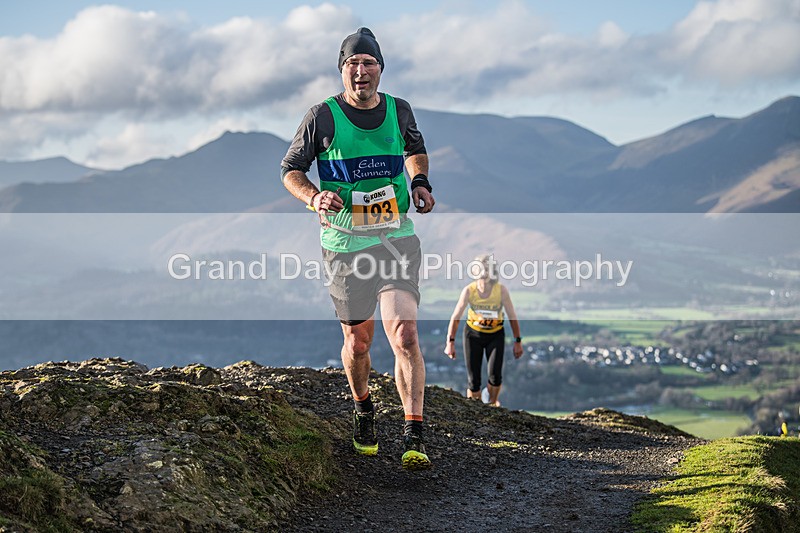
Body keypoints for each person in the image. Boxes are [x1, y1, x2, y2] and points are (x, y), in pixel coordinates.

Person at [281, 28, 436, 470]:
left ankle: (413, 433)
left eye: (369, 63)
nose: (361, 71)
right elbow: (290, 168)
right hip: (346, 244)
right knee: (359, 341)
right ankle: (364, 408)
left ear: (380, 70)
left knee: (404, 334)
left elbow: (415, 147)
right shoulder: (323, 117)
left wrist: (420, 181)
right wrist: (314, 196)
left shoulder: (398, 110)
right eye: (353, 63)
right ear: (342, 70)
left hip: (395, 238)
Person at [444, 254, 523, 406]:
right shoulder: (469, 291)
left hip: (495, 335)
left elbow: (512, 316)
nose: (484, 272)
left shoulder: (501, 291)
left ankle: (492, 404)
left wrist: (517, 341)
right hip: (473, 335)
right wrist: (450, 342)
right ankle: (475, 409)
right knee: (473, 381)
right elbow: (456, 316)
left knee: (495, 377)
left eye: (487, 268)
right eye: (480, 268)